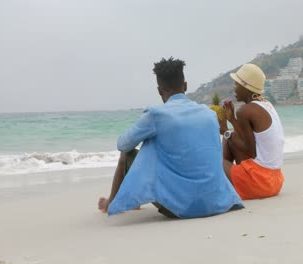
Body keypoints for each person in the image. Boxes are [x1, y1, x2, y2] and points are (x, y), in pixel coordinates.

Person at [98, 57, 243, 218]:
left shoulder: (156, 115)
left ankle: (111, 203)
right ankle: (131, 201)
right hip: (218, 201)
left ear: (159, 91)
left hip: (181, 207)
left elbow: (123, 144)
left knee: (127, 153)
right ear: (185, 86)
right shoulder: (209, 114)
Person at [220, 64, 285, 200]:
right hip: (275, 181)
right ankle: (232, 182)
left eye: (236, 84)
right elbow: (247, 139)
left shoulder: (244, 110)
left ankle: (226, 185)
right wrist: (231, 119)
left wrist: (225, 130)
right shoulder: (266, 104)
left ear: (246, 86)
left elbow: (250, 151)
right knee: (230, 137)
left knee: (216, 161)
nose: (234, 88)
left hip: (259, 181)